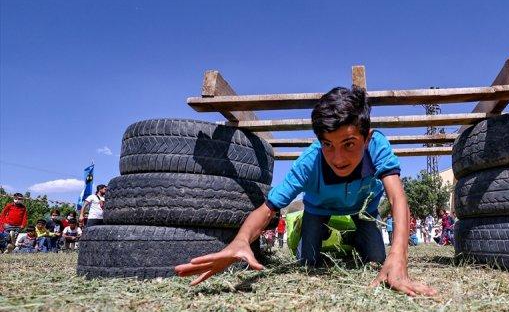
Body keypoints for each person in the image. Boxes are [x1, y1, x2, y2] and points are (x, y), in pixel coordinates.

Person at [175, 86, 436, 297]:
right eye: (328, 145)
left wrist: (399, 256)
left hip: (363, 210)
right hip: (318, 210)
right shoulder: (308, 163)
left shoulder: (377, 145)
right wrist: (241, 240)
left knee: (377, 260)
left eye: (349, 144)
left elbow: (397, 198)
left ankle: (353, 238)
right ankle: (306, 229)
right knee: (308, 263)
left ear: (366, 138)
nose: (338, 158)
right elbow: (268, 209)